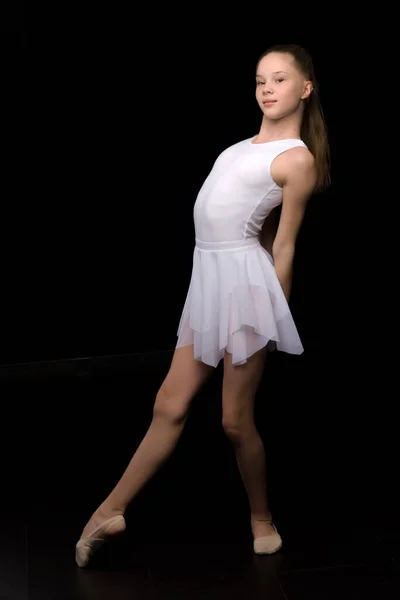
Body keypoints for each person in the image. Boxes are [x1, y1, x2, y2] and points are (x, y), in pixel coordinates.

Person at [75, 43, 330, 568]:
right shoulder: (236, 148)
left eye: (280, 79)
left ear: (305, 88)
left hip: (246, 293)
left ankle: (262, 518)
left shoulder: (297, 159)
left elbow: (282, 246)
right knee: (168, 405)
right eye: (260, 79)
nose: (267, 89)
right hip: (208, 282)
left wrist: (272, 317)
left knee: (235, 421)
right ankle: (109, 511)